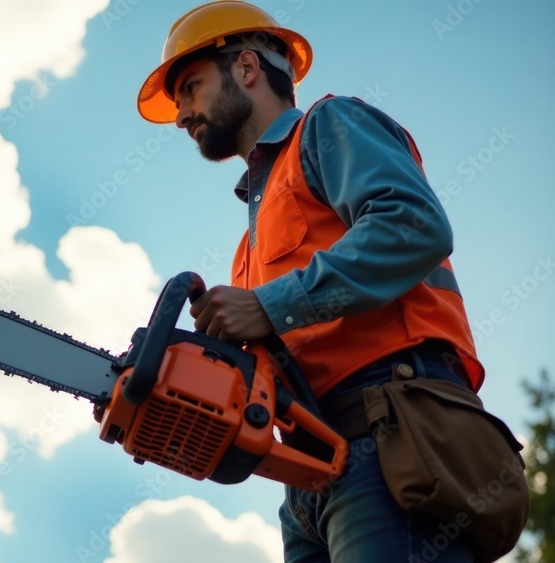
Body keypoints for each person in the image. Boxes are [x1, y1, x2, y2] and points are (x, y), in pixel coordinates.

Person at [136, 2, 487, 561]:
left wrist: (270, 307)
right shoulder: (247, 249)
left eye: (191, 88)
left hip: (389, 427)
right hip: (306, 476)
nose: (181, 116)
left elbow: (412, 225)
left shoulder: (329, 125)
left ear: (247, 67)